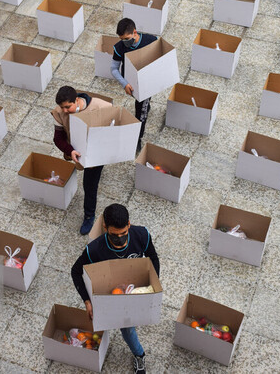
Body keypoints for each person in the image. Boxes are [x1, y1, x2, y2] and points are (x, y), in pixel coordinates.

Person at [71, 203, 160, 374]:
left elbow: (153, 258)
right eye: (114, 235)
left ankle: (139, 355)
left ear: (129, 224)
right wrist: (87, 301)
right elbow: (76, 272)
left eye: (123, 234)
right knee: (125, 326)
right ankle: (139, 354)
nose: (119, 239)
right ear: (105, 227)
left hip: (135, 289)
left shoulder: (142, 235)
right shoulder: (94, 249)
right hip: (109, 293)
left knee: (127, 328)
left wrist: (153, 284)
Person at [51, 85, 112, 235]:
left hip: (98, 149)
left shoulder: (102, 107)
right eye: (61, 107)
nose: (64, 110)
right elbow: (58, 138)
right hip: (77, 149)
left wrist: (97, 157)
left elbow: (111, 132)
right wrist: (70, 150)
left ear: (77, 100)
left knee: (89, 185)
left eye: (67, 107)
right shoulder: (59, 112)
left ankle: (89, 216)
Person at [111, 18, 158, 153]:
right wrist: (124, 83)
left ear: (135, 32)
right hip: (132, 83)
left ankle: (138, 137)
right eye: (122, 39)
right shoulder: (119, 48)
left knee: (141, 112)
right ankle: (145, 106)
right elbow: (114, 68)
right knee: (142, 105)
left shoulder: (151, 41)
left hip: (147, 82)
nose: (125, 42)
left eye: (127, 38)